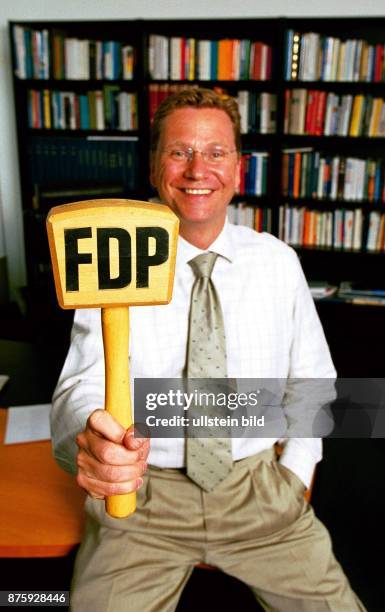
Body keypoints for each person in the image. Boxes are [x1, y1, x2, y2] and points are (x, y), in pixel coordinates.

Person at [51, 88, 365, 611]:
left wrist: (297, 473)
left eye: (215, 152)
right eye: (179, 152)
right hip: (142, 499)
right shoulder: (113, 255)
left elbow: (313, 380)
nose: (199, 169)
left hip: (261, 492)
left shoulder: (278, 262)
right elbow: (81, 383)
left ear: (238, 169)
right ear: (154, 166)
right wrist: (91, 440)